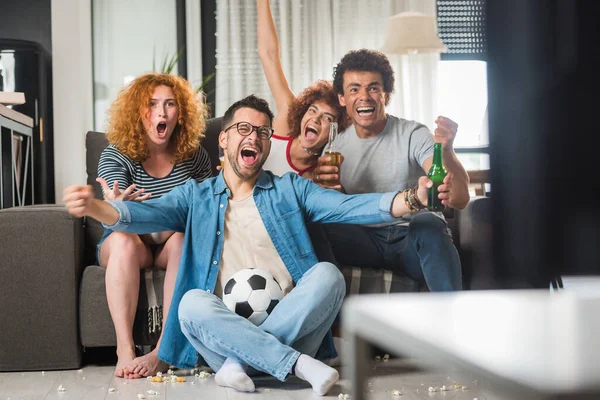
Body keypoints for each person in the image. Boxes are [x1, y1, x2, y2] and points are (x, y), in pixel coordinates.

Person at [63, 94, 437, 395]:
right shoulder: (195, 196)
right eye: (243, 128)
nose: (254, 137)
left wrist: (413, 198)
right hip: (219, 336)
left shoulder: (290, 189)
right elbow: (143, 215)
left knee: (328, 275)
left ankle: (240, 365)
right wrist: (95, 206)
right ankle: (296, 365)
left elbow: (349, 207)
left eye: (262, 132)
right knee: (191, 302)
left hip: (265, 336)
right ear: (223, 139)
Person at [313, 49, 470, 291]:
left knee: (428, 223)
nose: (364, 96)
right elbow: (337, 208)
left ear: (385, 94)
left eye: (373, 88)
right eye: (354, 89)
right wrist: (331, 194)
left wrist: (446, 151)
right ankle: (324, 311)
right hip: (362, 243)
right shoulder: (335, 149)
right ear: (342, 98)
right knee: (314, 226)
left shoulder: (413, 134)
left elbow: (459, 199)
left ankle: (452, 318)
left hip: (411, 241)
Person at [95, 73, 212, 379]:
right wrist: (116, 204)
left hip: (168, 242)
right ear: (138, 111)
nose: (161, 112)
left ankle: (163, 350)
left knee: (181, 240)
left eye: (170, 104)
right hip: (129, 242)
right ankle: (125, 349)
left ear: (181, 112)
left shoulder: (194, 156)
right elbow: (113, 205)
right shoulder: (117, 153)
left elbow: (207, 205)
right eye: (152, 104)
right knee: (123, 238)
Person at [257, 0, 349, 179]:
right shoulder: (286, 121)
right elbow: (268, 54)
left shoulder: (320, 172)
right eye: (313, 110)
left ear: (335, 132)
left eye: (327, 118)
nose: (316, 118)